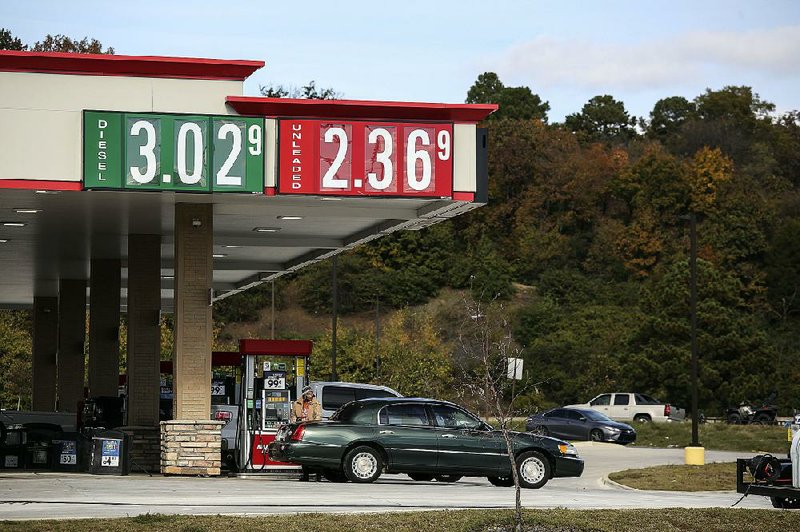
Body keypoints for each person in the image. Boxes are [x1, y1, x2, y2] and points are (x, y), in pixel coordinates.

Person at [291, 385, 322, 481]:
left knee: (315, 453)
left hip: (311, 429)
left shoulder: (315, 403)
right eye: (308, 393)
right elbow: (293, 415)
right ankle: (306, 475)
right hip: (301, 428)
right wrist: (294, 422)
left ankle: (318, 475)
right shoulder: (297, 403)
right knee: (304, 452)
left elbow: (318, 416)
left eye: (311, 393)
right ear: (304, 394)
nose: (310, 395)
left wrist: (314, 424)